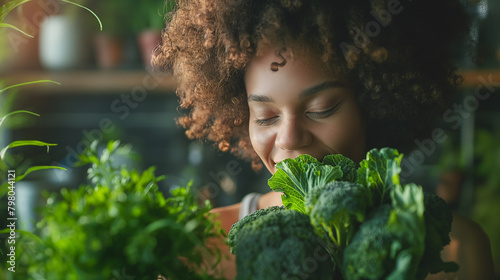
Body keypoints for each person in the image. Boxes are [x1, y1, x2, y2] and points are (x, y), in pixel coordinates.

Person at [152, 0, 495, 279]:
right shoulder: (199, 245)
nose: (289, 138)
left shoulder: (453, 250)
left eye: (321, 109)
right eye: (266, 117)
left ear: (376, 106)